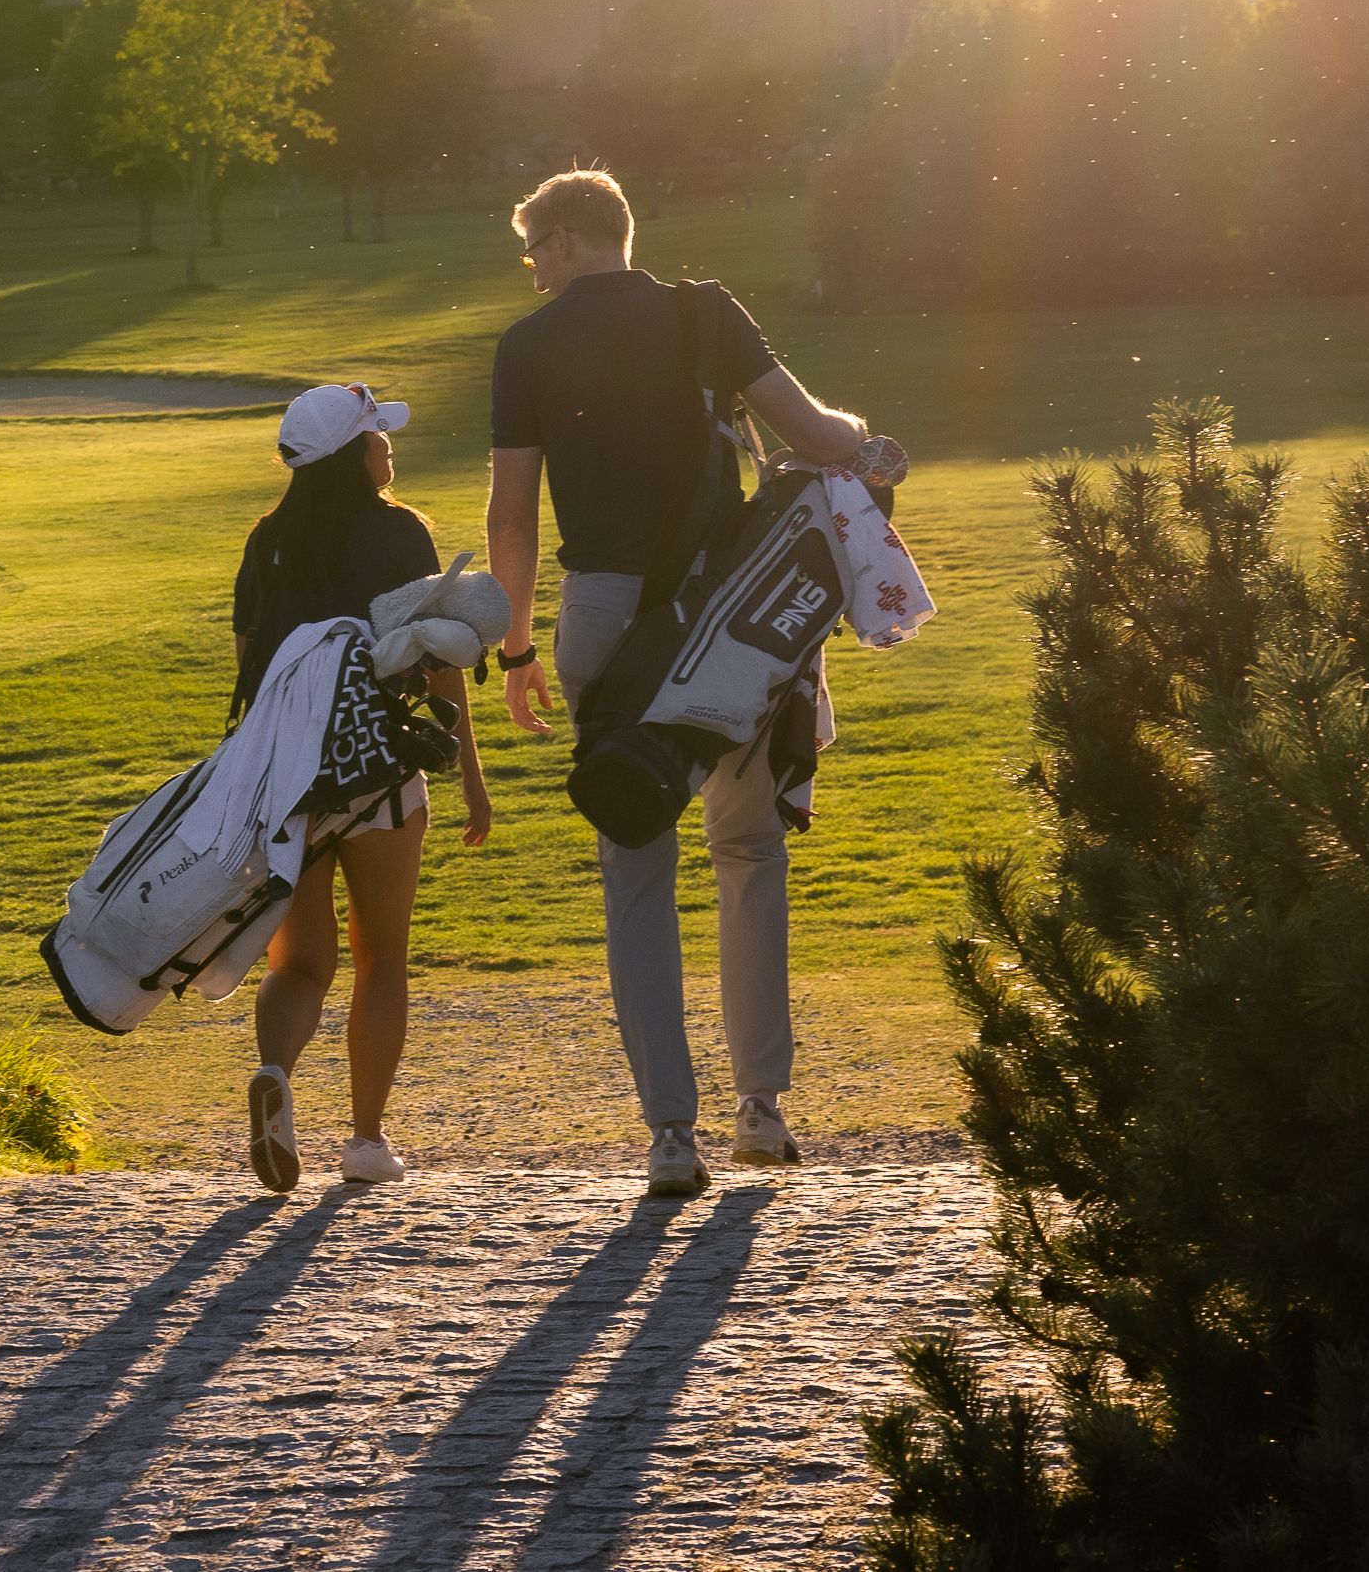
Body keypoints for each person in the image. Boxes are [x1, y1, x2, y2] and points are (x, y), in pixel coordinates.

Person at [482, 167, 906, 1197]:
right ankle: (761, 1108)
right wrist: (871, 444)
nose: (531, 265)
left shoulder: (525, 346)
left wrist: (513, 652)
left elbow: (511, 517)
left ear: (576, 237)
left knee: (636, 871)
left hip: (600, 618)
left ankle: (670, 1133)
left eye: (535, 246)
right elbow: (811, 435)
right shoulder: (704, 314)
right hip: (730, 624)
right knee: (748, 851)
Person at [230, 379, 496, 1192]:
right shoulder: (400, 533)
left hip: (284, 781)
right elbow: (439, 656)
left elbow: (250, 665)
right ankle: (367, 1140)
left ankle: (276, 1072)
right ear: (353, 452)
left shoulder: (267, 541)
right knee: (383, 958)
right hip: (380, 770)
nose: (390, 446)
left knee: (301, 963)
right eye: (378, 435)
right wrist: (470, 777)